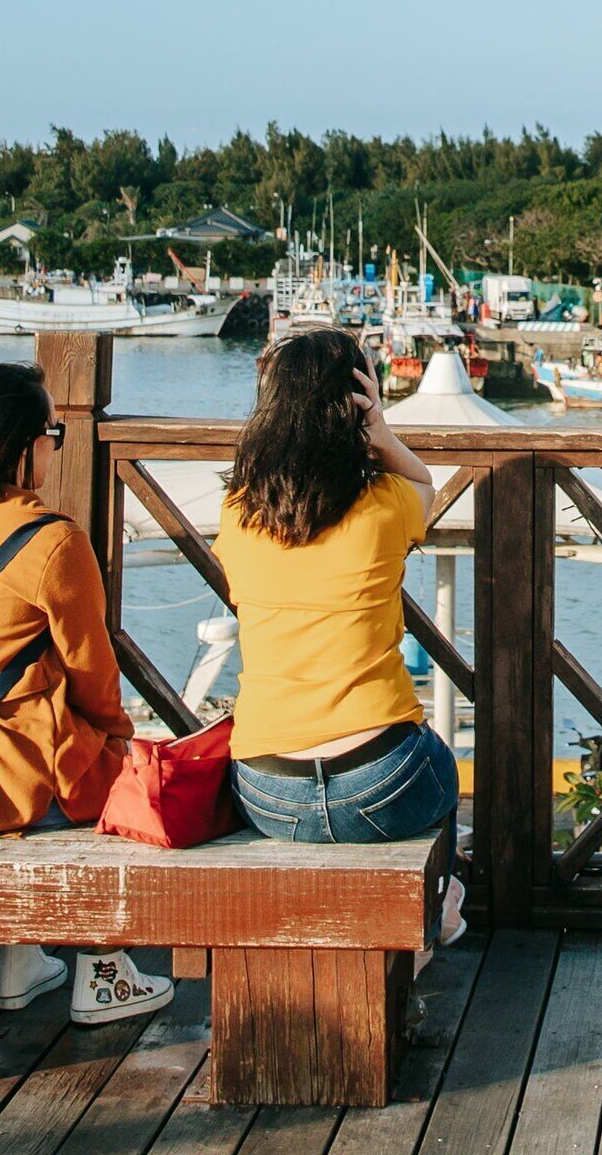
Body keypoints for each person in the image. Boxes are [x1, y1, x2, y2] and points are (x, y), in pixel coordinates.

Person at [0, 363, 172, 1026]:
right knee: (130, 781)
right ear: (21, 446)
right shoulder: (53, 541)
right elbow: (94, 675)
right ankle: (102, 970)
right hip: (8, 778)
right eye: (53, 432)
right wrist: (117, 743)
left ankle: (20, 960)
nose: (57, 446)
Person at [216, 330, 456, 854]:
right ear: (356, 402)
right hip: (383, 779)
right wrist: (381, 433)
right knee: (441, 767)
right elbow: (426, 486)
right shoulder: (387, 504)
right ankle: (444, 895)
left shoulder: (237, 513)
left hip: (267, 791)